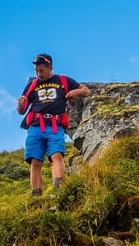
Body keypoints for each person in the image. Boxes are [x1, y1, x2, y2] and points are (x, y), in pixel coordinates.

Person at [17, 53, 90, 197]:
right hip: (35, 127)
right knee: (35, 161)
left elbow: (86, 91)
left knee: (56, 155)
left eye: (42, 70)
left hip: (55, 126)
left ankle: (58, 189)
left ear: (50, 67)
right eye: (36, 71)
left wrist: (74, 91)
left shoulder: (63, 80)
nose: (39, 74)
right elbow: (21, 110)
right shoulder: (31, 85)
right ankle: (36, 196)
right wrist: (19, 105)